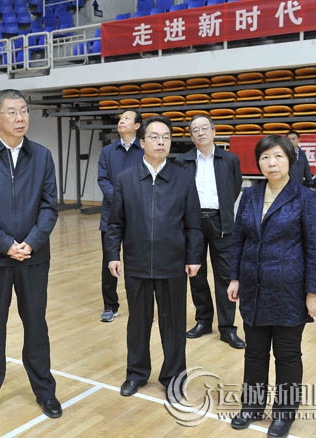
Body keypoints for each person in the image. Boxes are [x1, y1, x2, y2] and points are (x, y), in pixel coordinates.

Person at [0, 89, 61, 422]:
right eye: (12, 112)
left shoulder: (42, 156)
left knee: (36, 326)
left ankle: (45, 392)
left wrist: (30, 243)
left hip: (34, 257)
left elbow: (49, 206)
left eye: (24, 111)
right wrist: (6, 244)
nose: (20, 118)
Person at [228, 135, 316, 438]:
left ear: (290, 160)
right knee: (254, 352)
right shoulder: (250, 196)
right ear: (258, 162)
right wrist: (234, 277)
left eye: (278, 156)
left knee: (287, 354)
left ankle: (284, 414)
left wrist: (313, 292)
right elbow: (238, 239)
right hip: (254, 288)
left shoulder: (305, 198)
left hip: (289, 290)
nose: (272, 163)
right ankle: (252, 406)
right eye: (265, 157)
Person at [105, 115, 203, 401]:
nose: (161, 142)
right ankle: (136, 373)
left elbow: (193, 224)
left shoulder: (183, 178)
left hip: (172, 263)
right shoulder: (126, 179)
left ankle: (173, 378)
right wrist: (113, 254)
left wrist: (194, 257)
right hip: (136, 263)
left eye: (166, 137)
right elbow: (115, 223)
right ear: (142, 142)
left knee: (173, 324)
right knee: (138, 322)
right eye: (155, 137)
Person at [175, 115, 245, 349]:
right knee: (196, 273)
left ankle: (227, 328)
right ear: (191, 136)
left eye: (205, 128)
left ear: (214, 131)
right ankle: (203, 321)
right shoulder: (182, 161)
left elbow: (235, 187)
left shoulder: (230, 159)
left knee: (225, 276)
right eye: (195, 130)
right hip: (193, 222)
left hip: (221, 221)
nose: (201, 132)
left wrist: (222, 209)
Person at [97, 110, 143, 322]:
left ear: (137, 126)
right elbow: (103, 179)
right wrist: (120, 201)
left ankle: (139, 306)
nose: (121, 121)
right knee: (109, 261)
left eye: (126, 119)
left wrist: (131, 201)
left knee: (137, 262)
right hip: (111, 215)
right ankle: (110, 305)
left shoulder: (144, 149)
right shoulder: (107, 151)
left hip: (138, 215)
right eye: (120, 119)